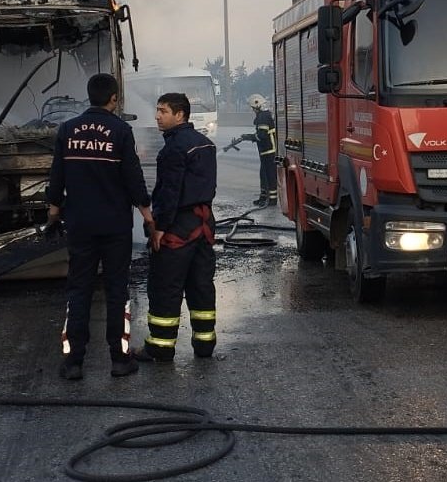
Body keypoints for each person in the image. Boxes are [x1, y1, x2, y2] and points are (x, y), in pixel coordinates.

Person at [47, 73, 153, 380]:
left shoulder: (67, 130)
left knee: (78, 290)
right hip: (115, 226)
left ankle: (73, 362)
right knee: (117, 290)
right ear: (114, 99)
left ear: (89, 96)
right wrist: (147, 214)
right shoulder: (120, 131)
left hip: (79, 224)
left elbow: (57, 177)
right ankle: (120, 360)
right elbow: (133, 178)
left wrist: (54, 211)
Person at [134, 92, 218, 363]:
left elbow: (168, 193)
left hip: (178, 227)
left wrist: (159, 228)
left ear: (180, 114)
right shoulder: (205, 144)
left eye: (163, 111)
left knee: (165, 286)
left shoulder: (173, 149)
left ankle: (160, 347)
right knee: (201, 284)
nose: (157, 116)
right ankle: (205, 345)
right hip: (204, 224)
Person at [236, 93, 277, 207]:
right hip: (265, 151)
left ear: (257, 106)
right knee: (263, 174)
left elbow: (262, 135)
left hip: (269, 150)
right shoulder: (262, 116)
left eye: (253, 108)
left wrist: (248, 137)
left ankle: (272, 200)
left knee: (269, 175)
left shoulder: (263, 117)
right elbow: (260, 134)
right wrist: (247, 136)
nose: (253, 110)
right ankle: (263, 197)